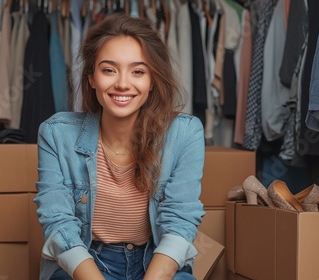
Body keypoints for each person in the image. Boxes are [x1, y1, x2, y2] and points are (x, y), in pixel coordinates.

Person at [34, 13, 205, 280]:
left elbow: (180, 221)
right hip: (88, 263)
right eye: (109, 70)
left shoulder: (184, 134)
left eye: (138, 71)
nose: (123, 83)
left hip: (155, 261)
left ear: (152, 80)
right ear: (91, 78)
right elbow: (58, 223)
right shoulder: (56, 135)